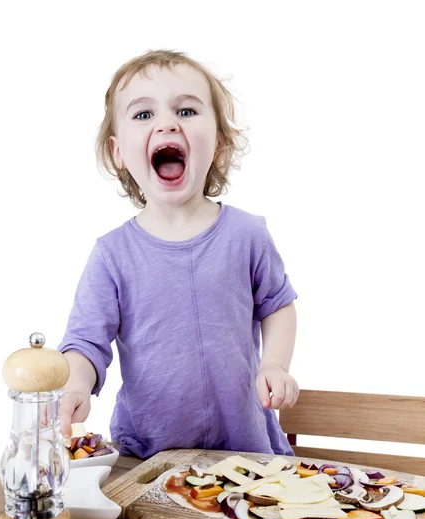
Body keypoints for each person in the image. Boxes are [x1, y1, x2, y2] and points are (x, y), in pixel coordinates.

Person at [57, 49, 299, 459]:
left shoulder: (248, 234)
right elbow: (84, 341)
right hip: (147, 458)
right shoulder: (112, 255)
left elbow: (279, 306)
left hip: (246, 450)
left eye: (186, 111)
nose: (167, 123)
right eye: (143, 115)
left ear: (219, 144)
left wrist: (274, 365)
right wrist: (77, 385)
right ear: (118, 152)